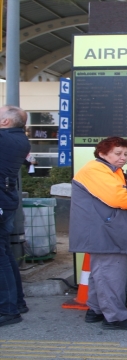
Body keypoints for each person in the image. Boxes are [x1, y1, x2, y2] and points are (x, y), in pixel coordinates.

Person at [69, 137, 127, 331]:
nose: (123, 157)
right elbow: (118, 197)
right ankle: (116, 318)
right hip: (105, 232)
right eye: (118, 153)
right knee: (110, 274)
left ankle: (96, 310)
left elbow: (126, 196)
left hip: (102, 230)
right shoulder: (96, 170)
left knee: (100, 273)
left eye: (126, 154)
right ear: (102, 153)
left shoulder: (110, 171)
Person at [0, 105, 31, 327]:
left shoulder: (4, 139)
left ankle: (8, 309)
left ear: (5, 122)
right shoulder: (20, 139)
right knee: (5, 254)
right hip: (6, 201)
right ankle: (17, 302)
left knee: (1, 258)